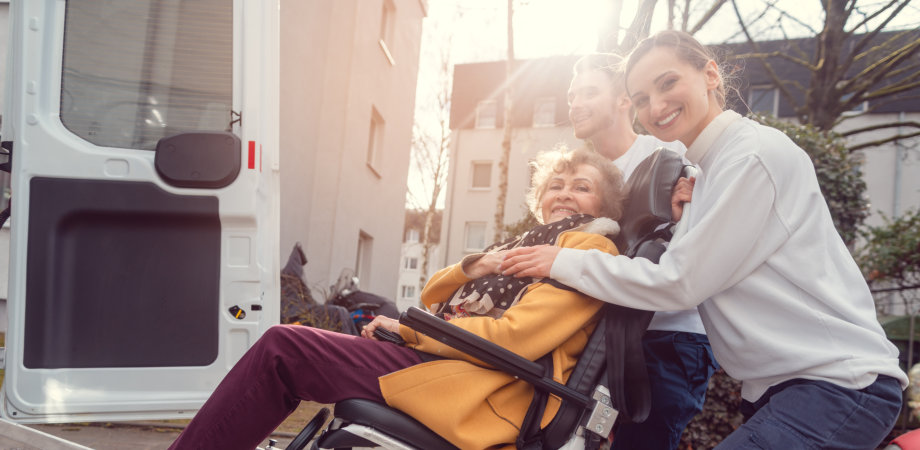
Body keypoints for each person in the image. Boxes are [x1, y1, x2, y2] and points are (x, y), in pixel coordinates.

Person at [501, 30, 907, 449]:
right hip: (780, 389)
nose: (655, 106)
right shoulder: (706, 174)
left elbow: (680, 283)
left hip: (839, 383)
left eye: (668, 83)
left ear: (711, 74)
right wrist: (683, 222)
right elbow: (697, 268)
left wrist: (560, 261)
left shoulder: (751, 156)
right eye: (641, 98)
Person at [169, 147, 642, 449]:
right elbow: (435, 294)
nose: (564, 195)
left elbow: (514, 340)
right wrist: (475, 266)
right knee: (286, 346)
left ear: (605, 206)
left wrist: (410, 330)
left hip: (484, 384)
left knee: (283, 347)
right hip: (450, 361)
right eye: (556, 185)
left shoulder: (587, 248)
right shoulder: (526, 246)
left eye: (582, 187)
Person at [568, 52, 717, 450]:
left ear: (624, 101)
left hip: (668, 337)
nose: (575, 104)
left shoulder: (668, 156)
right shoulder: (582, 174)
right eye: (571, 96)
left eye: (588, 92)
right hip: (609, 334)